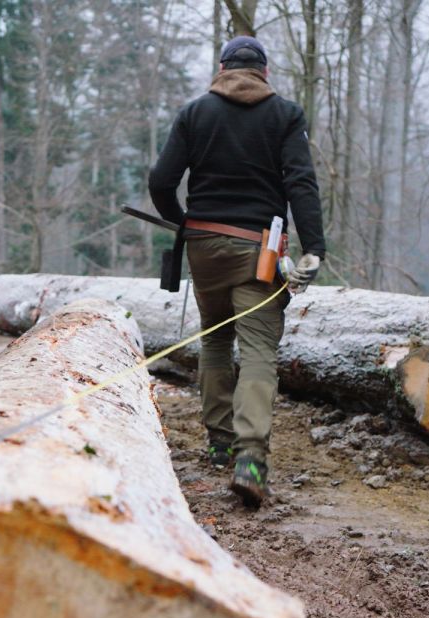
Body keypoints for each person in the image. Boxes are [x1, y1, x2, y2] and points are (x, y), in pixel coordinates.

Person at [147, 35, 325, 508]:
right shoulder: (285, 115)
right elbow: (300, 183)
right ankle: (249, 458)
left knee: (214, 338)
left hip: (204, 245)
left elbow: (161, 180)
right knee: (259, 348)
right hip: (257, 251)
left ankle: (219, 441)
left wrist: (181, 221)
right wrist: (315, 247)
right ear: (264, 73)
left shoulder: (195, 113)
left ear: (222, 69)